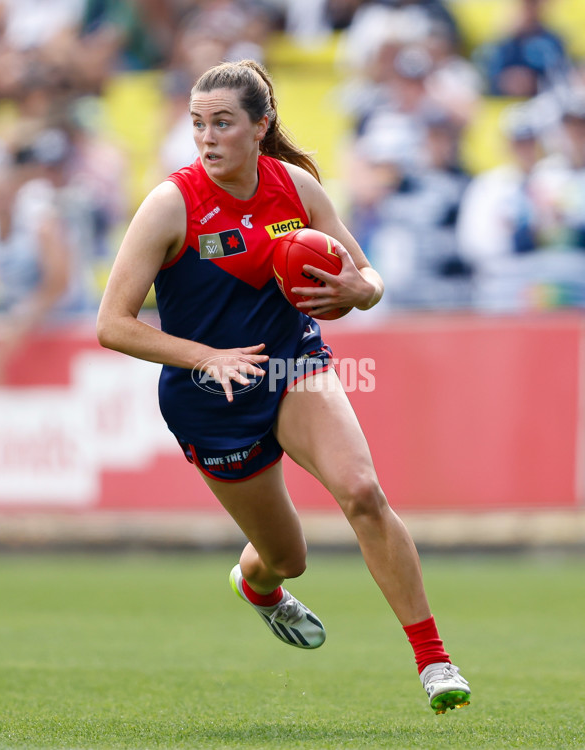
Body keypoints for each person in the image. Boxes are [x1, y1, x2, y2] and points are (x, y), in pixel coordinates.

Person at [96, 59, 471, 714]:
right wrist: (205, 357)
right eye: (198, 125)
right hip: (210, 399)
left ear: (260, 125)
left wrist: (363, 289)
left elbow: (365, 273)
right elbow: (112, 325)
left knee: (362, 491)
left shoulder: (294, 187)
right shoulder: (170, 204)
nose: (207, 138)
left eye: (223, 124)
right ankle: (259, 588)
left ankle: (434, 659)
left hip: (294, 365)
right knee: (286, 558)